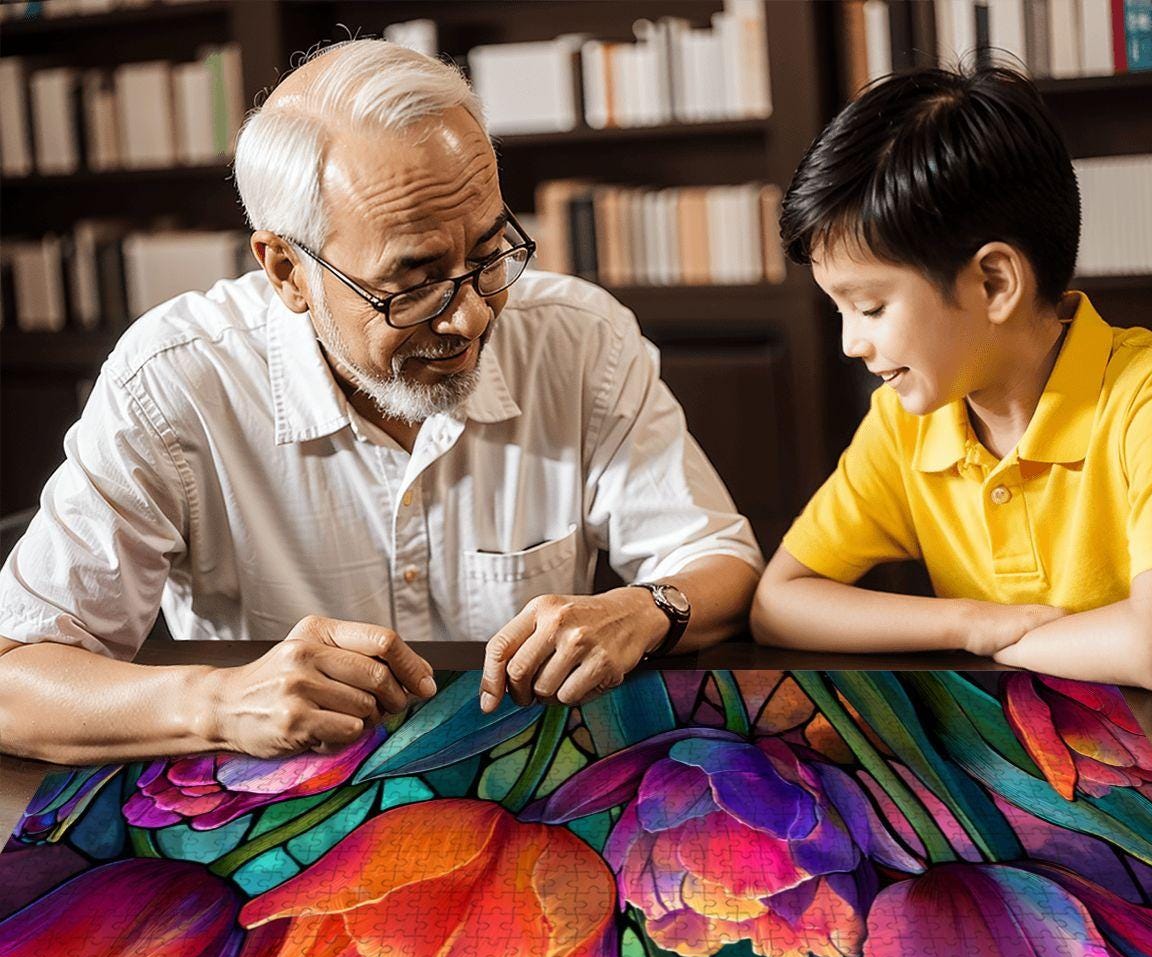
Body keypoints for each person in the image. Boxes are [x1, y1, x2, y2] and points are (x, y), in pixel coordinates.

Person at [0, 40, 762, 765]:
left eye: (491, 253)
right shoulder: (174, 382)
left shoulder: (580, 338)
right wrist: (221, 701)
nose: (470, 318)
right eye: (415, 279)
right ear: (287, 271)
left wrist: (646, 607)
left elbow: (720, 561)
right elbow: (12, 682)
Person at [751, 64, 1152, 691]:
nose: (851, 343)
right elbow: (780, 603)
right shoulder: (906, 421)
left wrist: (1006, 639)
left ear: (994, 283)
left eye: (872, 307)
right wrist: (969, 624)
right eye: (839, 308)